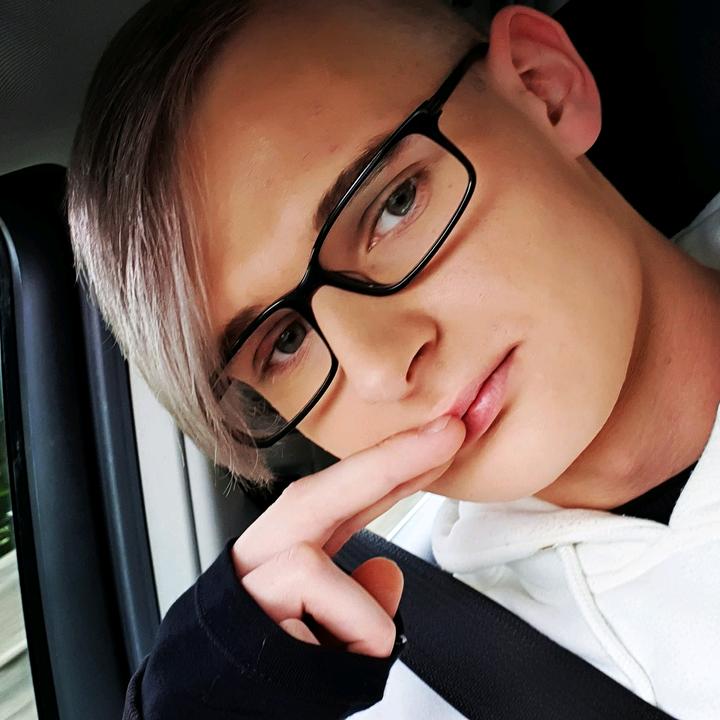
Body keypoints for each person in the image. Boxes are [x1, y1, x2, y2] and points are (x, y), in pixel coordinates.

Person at [67, 0, 720, 717]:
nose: (379, 369)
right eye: (285, 343)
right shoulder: (405, 680)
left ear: (545, 88)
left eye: (392, 204)